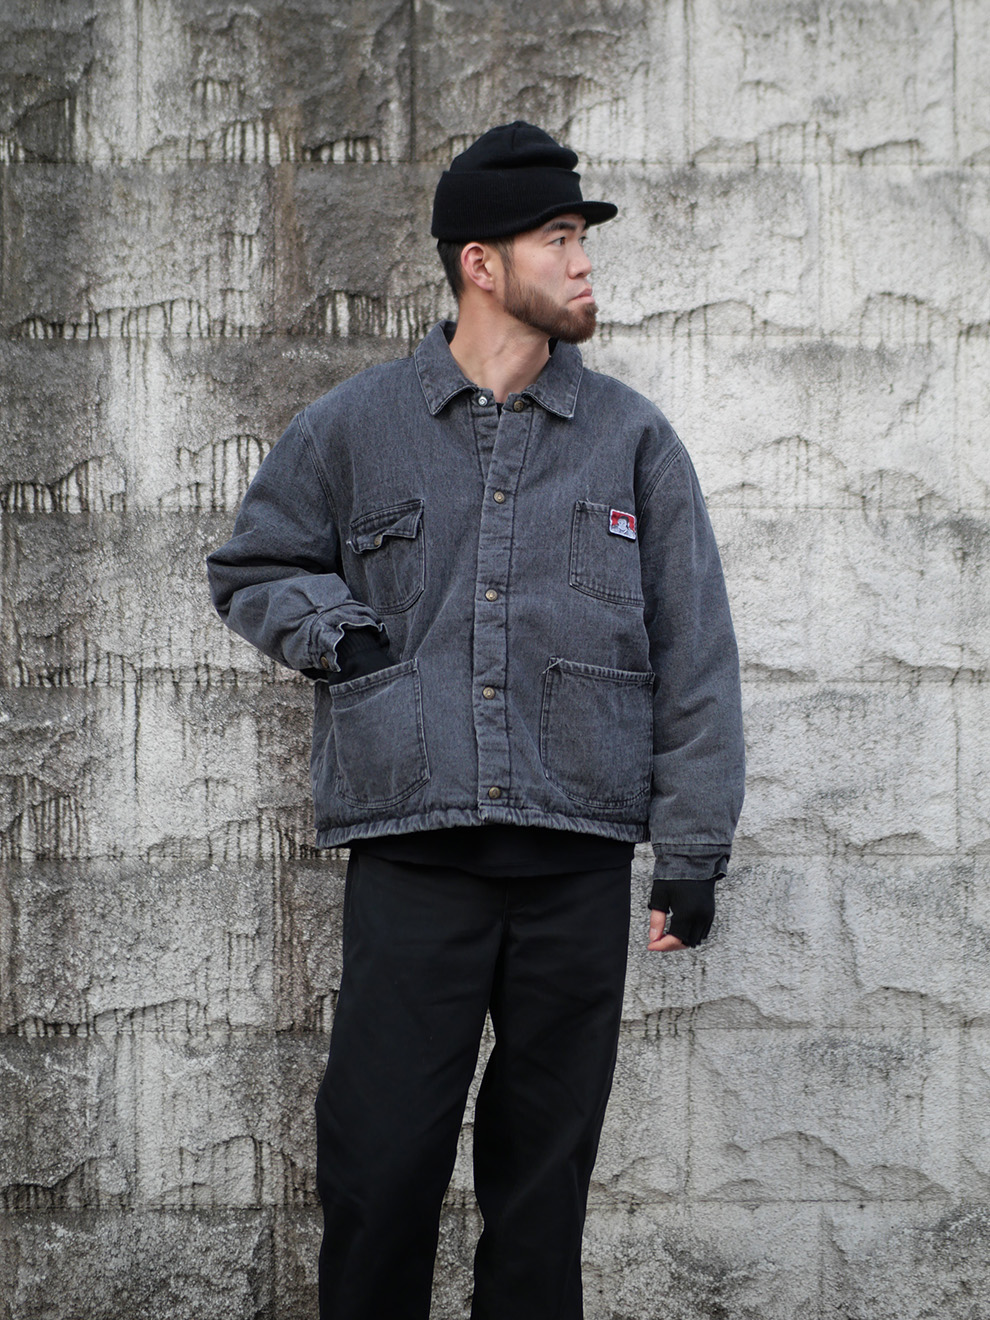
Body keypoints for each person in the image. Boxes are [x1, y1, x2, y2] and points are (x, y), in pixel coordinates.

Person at [206, 121, 745, 1320]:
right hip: (416, 863)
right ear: (480, 263)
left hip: (575, 869)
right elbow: (253, 566)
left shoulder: (634, 441)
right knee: (379, 1171)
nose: (584, 262)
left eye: (583, 238)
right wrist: (341, 633)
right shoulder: (353, 428)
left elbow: (694, 649)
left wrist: (692, 849)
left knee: (544, 1192)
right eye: (559, 238)